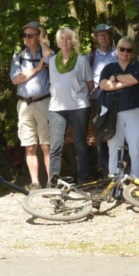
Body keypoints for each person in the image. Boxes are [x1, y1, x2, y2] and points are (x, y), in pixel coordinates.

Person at [10, 21, 53, 189]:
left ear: (38, 36)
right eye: (24, 35)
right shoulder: (18, 56)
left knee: (46, 145)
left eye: (30, 35)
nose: (26, 38)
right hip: (24, 105)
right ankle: (35, 182)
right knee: (30, 146)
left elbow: (52, 59)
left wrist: (43, 41)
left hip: (44, 102)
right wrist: (37, 68)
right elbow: (16, 79)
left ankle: (51, 181)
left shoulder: (46, 52)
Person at [48, 27, 94, 183]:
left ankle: (83, 180)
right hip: (56, 108)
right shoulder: (52, 61)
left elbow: (90, 84)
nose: (65, 41)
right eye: (62, 38)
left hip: (79, 107)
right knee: (55, 145)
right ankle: (53, 182)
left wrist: (77, 96)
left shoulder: (81, 60)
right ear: (57, 41)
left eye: (68, 38)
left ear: (73, 41)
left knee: (80, 145)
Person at [99, 37, 139, 179]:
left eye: (129, 50)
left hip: (136, 113)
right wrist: (126, 83)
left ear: (132, 52)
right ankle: (115, 184)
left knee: (136, 150)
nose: (125, 52)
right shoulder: (108, 67)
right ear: (117, 50)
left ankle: (137, 184)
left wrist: (115, 77)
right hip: (114, 115)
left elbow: (135, 79)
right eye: (122, 49)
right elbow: (103, 85)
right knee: (114, 150)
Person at [86, 24, 118, 176]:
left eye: (106, 34)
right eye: (100, 35)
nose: (103, 38)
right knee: (99, 134)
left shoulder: (118, 54)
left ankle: (118, 167)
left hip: (115, 99)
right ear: (96, 38)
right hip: (96, 101)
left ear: (111, 37)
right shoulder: (89, 57)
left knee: (116, 132)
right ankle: (104, 169)